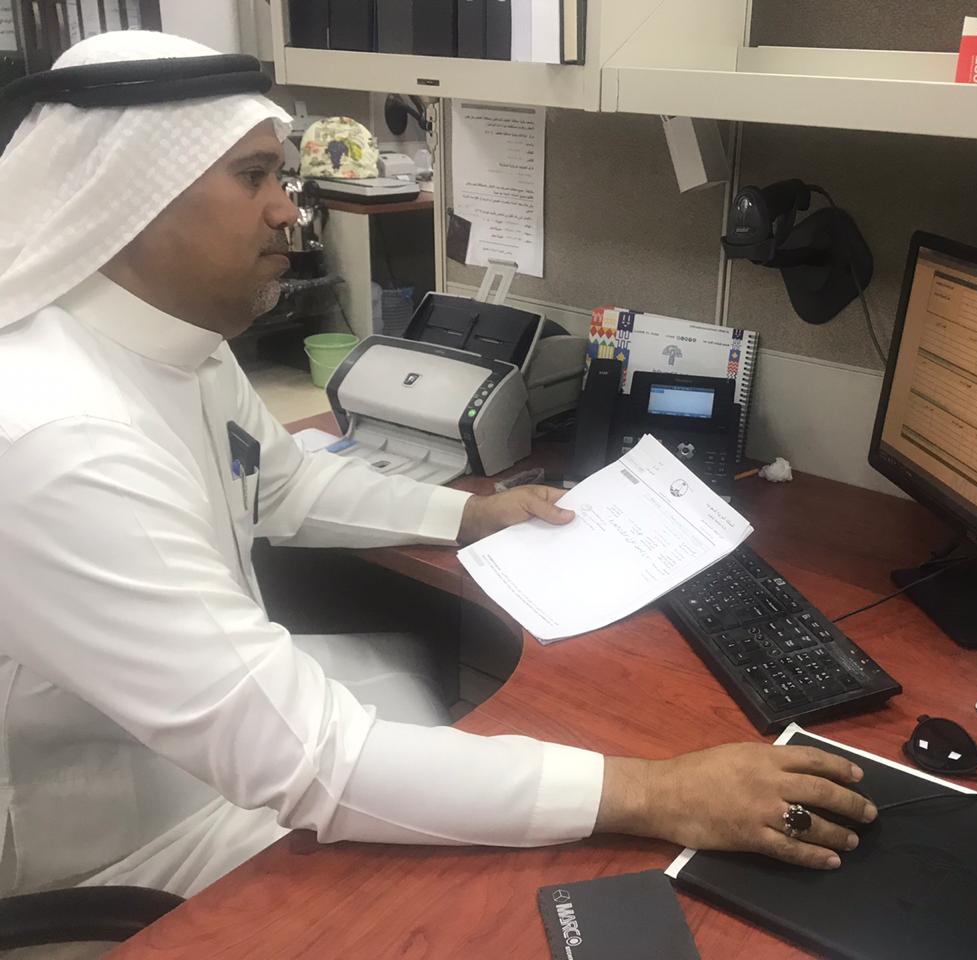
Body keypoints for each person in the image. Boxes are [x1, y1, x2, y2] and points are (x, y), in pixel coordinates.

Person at [0, 31, 876, 907]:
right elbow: (316, 761)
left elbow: (287, 484)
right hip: (116, 836)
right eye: (254, 176)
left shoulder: (175, 341)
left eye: (281, 177)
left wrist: (472, 515)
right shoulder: (64, 439)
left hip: (197, 744)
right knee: (508, 895)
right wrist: (659, 792)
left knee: (427, 688)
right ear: (132, 197)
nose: (287, 212)